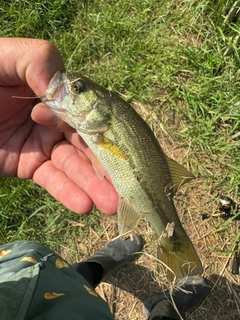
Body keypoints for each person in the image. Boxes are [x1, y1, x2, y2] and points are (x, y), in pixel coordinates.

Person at [0, 38, 210, 319]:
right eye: (78, 88)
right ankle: (164, 312)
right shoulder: (98, 126)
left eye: (77, 89)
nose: (71, 88)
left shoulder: (99, 126)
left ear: (103, 113)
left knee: (42, 273)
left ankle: (94, 268)